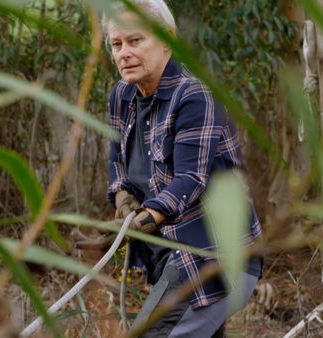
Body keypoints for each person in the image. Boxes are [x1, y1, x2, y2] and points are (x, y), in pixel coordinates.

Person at [103, 1, 263, 336]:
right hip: (169, 259)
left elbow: (192, 179)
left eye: (135, 41)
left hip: (213, 258)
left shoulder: (195, 96)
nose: (124, 54)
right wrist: (121, 198)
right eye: (116, 44)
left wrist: (141, 221)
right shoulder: (121, 95)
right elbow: (117, 158)